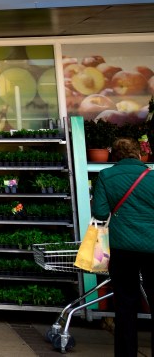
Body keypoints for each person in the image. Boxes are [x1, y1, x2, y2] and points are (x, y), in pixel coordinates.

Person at [91, 136, 154, 357]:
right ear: (139, 154)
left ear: (114, 157)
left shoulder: (106, 175)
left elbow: (99, 213)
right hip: (152, 246)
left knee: (126, 304)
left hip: (122, 247)